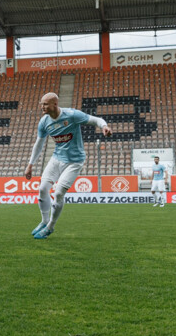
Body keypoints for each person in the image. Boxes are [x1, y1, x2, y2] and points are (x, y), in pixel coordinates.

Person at [25, 92, 112, 239]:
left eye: (45, 104)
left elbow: (96, 119)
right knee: (42, 189)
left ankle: (50, 227)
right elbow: (39, 144)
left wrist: (104, 126)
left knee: (58, 193)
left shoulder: (71, 115)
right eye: (41, 104)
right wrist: (30, 164)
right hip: (56, 159)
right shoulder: (44, 122)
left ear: (55, 104)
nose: (42, 107)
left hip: (74, 161)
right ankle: (44, 221)